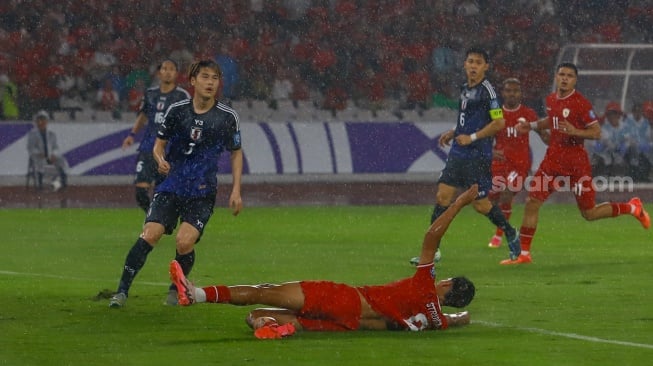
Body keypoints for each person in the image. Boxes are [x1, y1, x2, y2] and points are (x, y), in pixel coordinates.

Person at [170, 185, 479, 339]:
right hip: (349, 326)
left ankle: (196, 294)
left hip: (346, 299)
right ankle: (272, 326)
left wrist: (460, 202)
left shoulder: (426, 286)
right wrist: (463, 315)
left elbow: (431, 237)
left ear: (447, 284)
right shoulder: (436, 319)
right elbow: (457, 319)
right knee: (257, 313)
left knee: (266, 290)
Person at [109, 60, 244, 308]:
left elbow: (236, 152)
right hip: (172, 184)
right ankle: (121, 291)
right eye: (205, 77)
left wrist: (236, 190)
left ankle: (176, 288)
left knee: (184, 242)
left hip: (202, 191)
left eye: (215, 78)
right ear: (193, 81)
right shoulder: (177, 111)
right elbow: (159, 144)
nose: (210, 83)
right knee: (150, 234)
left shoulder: (227, 117)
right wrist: (160, 160)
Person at [504, 62, 650, 265]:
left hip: (576, 165)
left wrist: (575, 131)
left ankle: (632, 208)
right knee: (532, 202)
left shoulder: (581, 103)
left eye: (569, 76)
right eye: (561, 74)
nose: (564, 78)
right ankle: (524, 255)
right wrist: (532, 125)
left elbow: (596, 132)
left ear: (575, 80)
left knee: (589, 213)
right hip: (552, 162)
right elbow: (551, 119)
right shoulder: (551, 99)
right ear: (556, 77)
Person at [411, 47, 520, 265]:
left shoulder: (488, 91)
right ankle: (433, 252)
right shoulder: (464, 89)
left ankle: (510, 232)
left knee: (480, 204)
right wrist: (454, 132)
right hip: (458, 153)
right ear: (464, 64)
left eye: (478, 62)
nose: (473, 66)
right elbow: (466, 118)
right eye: (470, 61)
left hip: (478, 155)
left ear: (485, 67)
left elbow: (499, 123)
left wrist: (471, 137)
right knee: (442, 197)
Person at [121, 59, 191, 213]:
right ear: (159, 72)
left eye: (171, 69)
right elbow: (143, 116)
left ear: (176, 74)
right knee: (140, 192)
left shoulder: (182, 96)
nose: (167, 71)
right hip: (148, 148)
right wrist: (132, 134)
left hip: (169, 150)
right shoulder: (150, 94)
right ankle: (153, 218)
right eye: (164, 68)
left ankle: (158, 221)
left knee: (164, 193)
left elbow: (189, 122)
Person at [487, 78, 547, 248]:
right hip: (498, 164)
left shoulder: (528, 113)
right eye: (508, 91)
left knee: (507, 193)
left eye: (515, 91)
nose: (511, 94)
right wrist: (490, 151)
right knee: (490, 201)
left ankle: (501, 234)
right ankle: (506, 228)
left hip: (520, 165)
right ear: (503, 93)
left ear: (520, 94)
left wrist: (554, 141)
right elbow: (487, 135)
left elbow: (542, 133)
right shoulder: (496, 113)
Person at [26, 110, 69, 191]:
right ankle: (39, 185)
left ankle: (62, 184)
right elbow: (30, 148)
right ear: (37, 121)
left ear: (47, 121)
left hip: (50, 156)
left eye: (44, 120)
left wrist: (54, 154)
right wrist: (38, 153)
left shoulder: (51, 134)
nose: (41, 122)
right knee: (40, 163)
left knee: (62, 161)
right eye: (40, 120)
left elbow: (56, 147)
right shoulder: (32, 134)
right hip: (38, 157)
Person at [589, 102, 628, 177]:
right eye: (610, 114)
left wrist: (623, 148)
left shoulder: (624, 127)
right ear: (607, 116)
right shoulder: (604, 128)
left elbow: (628, 141)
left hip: (620, 157)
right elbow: (604, 145)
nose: (612, 116)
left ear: (619, 115)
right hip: (605, 158)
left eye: (615, 113)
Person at [623, 102, 652, 182]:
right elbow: (625, 135)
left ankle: (643, 176)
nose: (637, 113)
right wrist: (632, 141)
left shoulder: (645, 123)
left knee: (646, 155)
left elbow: (648, 137)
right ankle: (632, 175)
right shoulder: (628, 121)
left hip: (642, 147)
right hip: (630, 147)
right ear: (633, 112)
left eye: (639, 111)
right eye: (635, 111)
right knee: (632, 152)